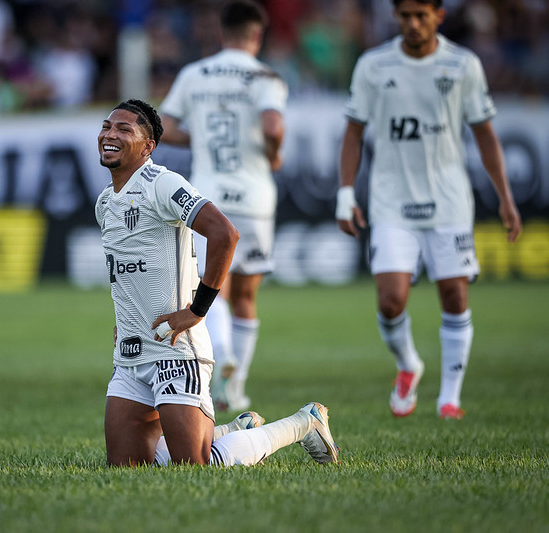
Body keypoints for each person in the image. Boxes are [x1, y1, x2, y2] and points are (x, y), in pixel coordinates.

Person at [96, 98, 338, 466]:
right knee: (128, 468)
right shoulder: (104, 203)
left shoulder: (162, 183)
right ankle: (232, 430)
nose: (109, 134)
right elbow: (127, 269)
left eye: (123, 129)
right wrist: (124, 321)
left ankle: (303, 423)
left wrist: (196, 310)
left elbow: (225, 233)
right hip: (130, 355)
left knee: (196, 466)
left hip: (175, 351)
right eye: (106, 127)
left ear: (148, 147)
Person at [336, 0, 522, 420]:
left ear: (439, 15)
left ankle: (449, 397)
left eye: (422, 15)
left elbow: (487, 135)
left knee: (455, 295)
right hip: (391, 203)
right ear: (396, 17)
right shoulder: (373, 65)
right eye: (405, 16)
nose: (413, 24)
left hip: (449, 203)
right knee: (390, 301)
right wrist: (345, 194)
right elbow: (352, 134)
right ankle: (408, 365)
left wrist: (506, 197)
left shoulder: (463, 65)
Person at [159, 0, 286, 412]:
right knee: (247, 293)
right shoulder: (267, 76)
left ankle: (222, 359)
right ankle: (238, 386)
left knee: (214, 286)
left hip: (209, 197)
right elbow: (273, 126)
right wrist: (274, 151)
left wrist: (203, 140)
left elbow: (166, 126)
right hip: (255, 198)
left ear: (221, 32)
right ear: (257, 34)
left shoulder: (195, 74)